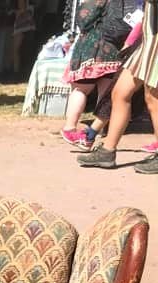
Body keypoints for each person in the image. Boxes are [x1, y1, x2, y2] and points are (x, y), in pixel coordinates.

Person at [78, 0, 158, 173]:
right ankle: (107, 151)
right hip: (148, 40)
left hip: (156, 41)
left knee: (153, 98)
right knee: (120, 93)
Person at [60, 0, 131, 146]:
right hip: (115, 47)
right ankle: (101, 128)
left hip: (92, 46)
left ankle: (70, 127)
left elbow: (84, 20)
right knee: (106, 92)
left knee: (81, 89)